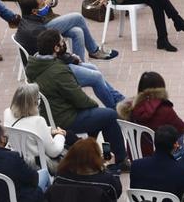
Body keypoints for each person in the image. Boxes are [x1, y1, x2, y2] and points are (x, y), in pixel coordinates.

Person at [29, 30, 128, 172]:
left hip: (51, 113)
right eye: (62, 42)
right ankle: (119, 160)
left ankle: (91, 154)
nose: (64, 44)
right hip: (65, 118)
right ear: (56, 48)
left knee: (98, 117)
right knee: (109, 115)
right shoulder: (58, 71)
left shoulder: (33, 64)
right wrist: (94, 107)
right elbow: (79, 99)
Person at [117, 71, 184, 156]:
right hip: (158, 158)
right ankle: (177, 160)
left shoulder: (130, 107)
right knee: (177, 137)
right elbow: (181, 127)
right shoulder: (165, 110)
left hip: (135, 156)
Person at [3, 83, 66, 178]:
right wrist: (60, 136)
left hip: (17, 160)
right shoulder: (38, 121)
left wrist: (49, 130)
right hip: (38, 165)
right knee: (72, 150)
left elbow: (25, 128)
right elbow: (54, 151)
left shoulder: (7, 113)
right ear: (34, 102)